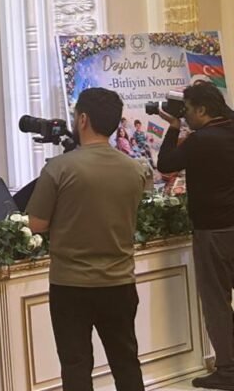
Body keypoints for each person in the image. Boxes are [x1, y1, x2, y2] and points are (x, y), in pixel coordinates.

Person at [26, 87, 147, 391]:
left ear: (83, 119)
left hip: (71, 284)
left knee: (76, 365)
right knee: (126, 360)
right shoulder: (135, 169)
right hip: (120, 282)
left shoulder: (59, 168)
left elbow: (37, 224)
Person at [157, 83, 234, 390]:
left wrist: (173, 127)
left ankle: (228, 369)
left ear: (202, 110)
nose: (185, 115)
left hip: (213, 230)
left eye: (187, 110)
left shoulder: (201, 140)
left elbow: (165, 164)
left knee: (216, 301)